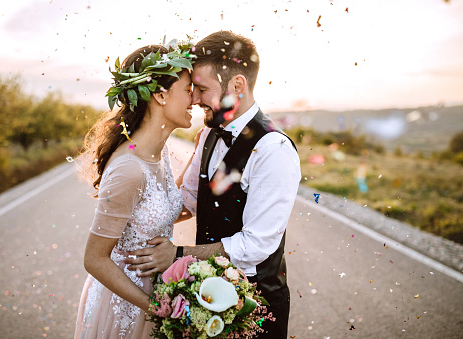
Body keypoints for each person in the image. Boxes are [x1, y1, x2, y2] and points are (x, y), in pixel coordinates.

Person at [125, 31, 301, 338]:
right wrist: (137, 214)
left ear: (237, 86)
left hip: (255, 306)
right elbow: (191, 197)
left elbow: (256, 245)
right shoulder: (209, 134)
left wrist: (178, 255)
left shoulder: (274, 149)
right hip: (203, 295)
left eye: (202, 89)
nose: (194, 98)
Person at [74, 43, 195, 338]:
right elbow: (94, 259)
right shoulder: (129, 168)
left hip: (157, 288)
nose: (196, 97)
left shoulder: (159, 153)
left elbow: (153, 214)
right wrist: (155, 306)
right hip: (126, 305)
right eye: (188, 88)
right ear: (160, 95)